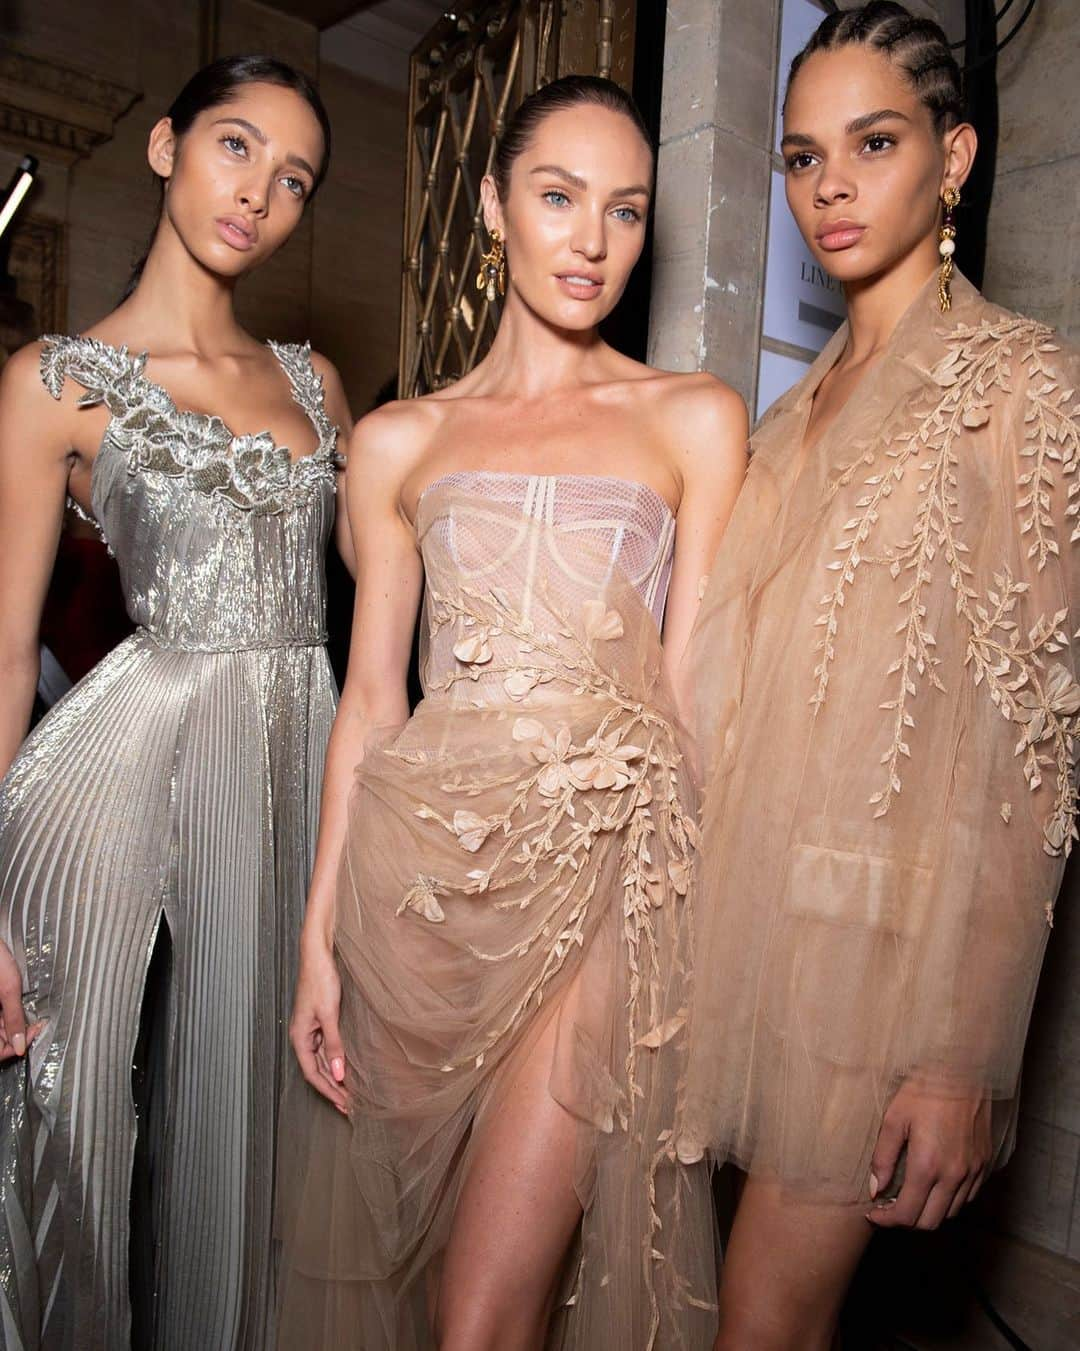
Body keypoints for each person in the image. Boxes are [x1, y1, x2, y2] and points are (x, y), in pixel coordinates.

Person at [277, 74, 748, 1351]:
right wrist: (320, 933)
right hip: (421, 883)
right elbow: (373, 698)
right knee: (421, 1289)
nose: (593, 240)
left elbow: (696, 697)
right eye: (558, 196)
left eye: (627, 211)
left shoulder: (695, 419)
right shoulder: (394, 442)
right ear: (493, 206)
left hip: (603, 879)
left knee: (483, 1313)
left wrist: (693, 931)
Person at [679, 5, 1080, 1348]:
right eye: (801, 158)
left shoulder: (1023, 385)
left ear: (954, 157)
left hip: (881, 966)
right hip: (735, 937)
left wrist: (968, 1047)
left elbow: (1040, 742)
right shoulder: (783, 416)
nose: (830, 187)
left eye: (874, 141)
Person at [0, 54, 352, 1350]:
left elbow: (408, 586)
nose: (260, 193)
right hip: (119, 758)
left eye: (297, 178)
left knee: (261, 1118)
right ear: (166, 146)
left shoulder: (320, 383)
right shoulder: (55, 380)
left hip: (292, 764)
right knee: (76, 1119)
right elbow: (2, 651)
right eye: (237, 147)